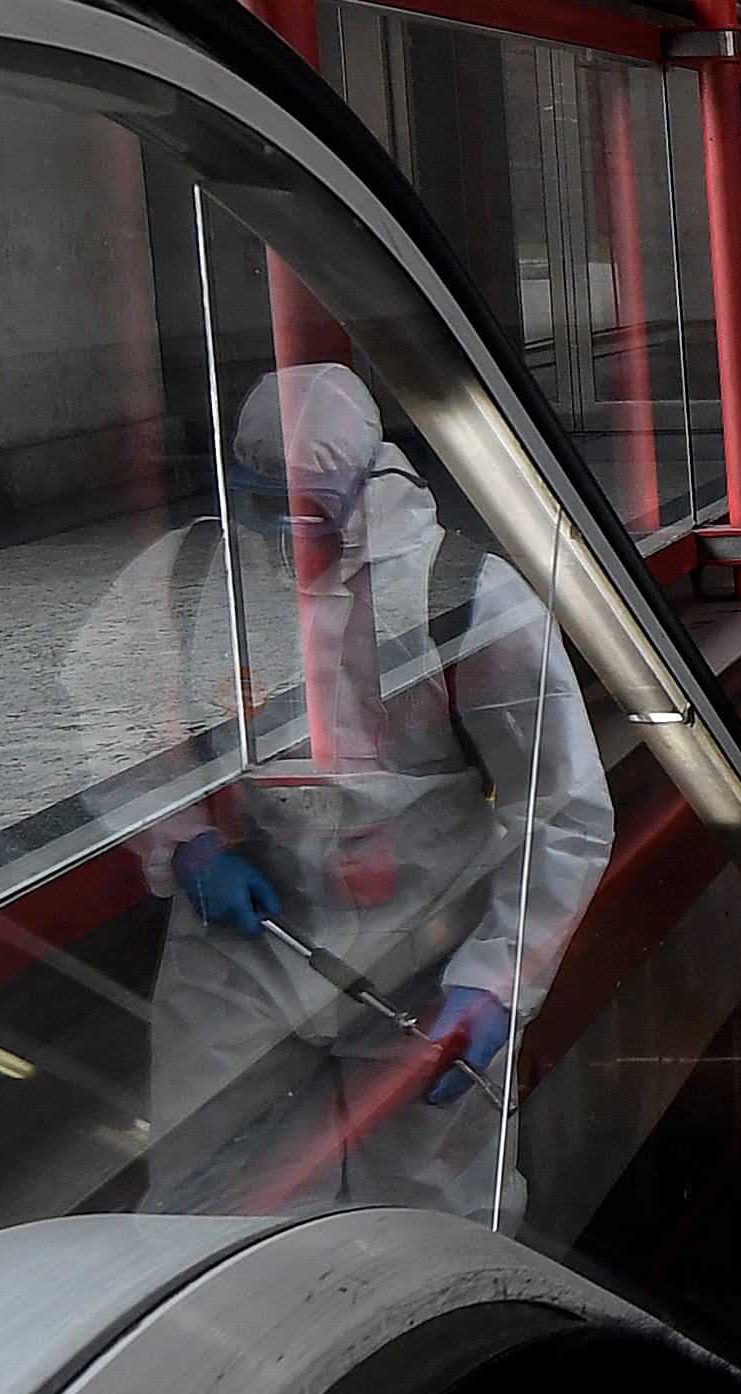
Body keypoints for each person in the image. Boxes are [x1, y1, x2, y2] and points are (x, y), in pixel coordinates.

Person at [82, 364, 612, 1222]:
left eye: (310, 509)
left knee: (433, 1214)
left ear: (369, 483)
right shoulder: (188, 578)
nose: (287, 533)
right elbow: (105, 714)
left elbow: (562, 807)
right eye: (265, 503)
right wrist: (182, 838)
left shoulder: (467, 594)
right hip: (244, 952)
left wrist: (495, 975)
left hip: (425, 954)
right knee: (216, 1205)